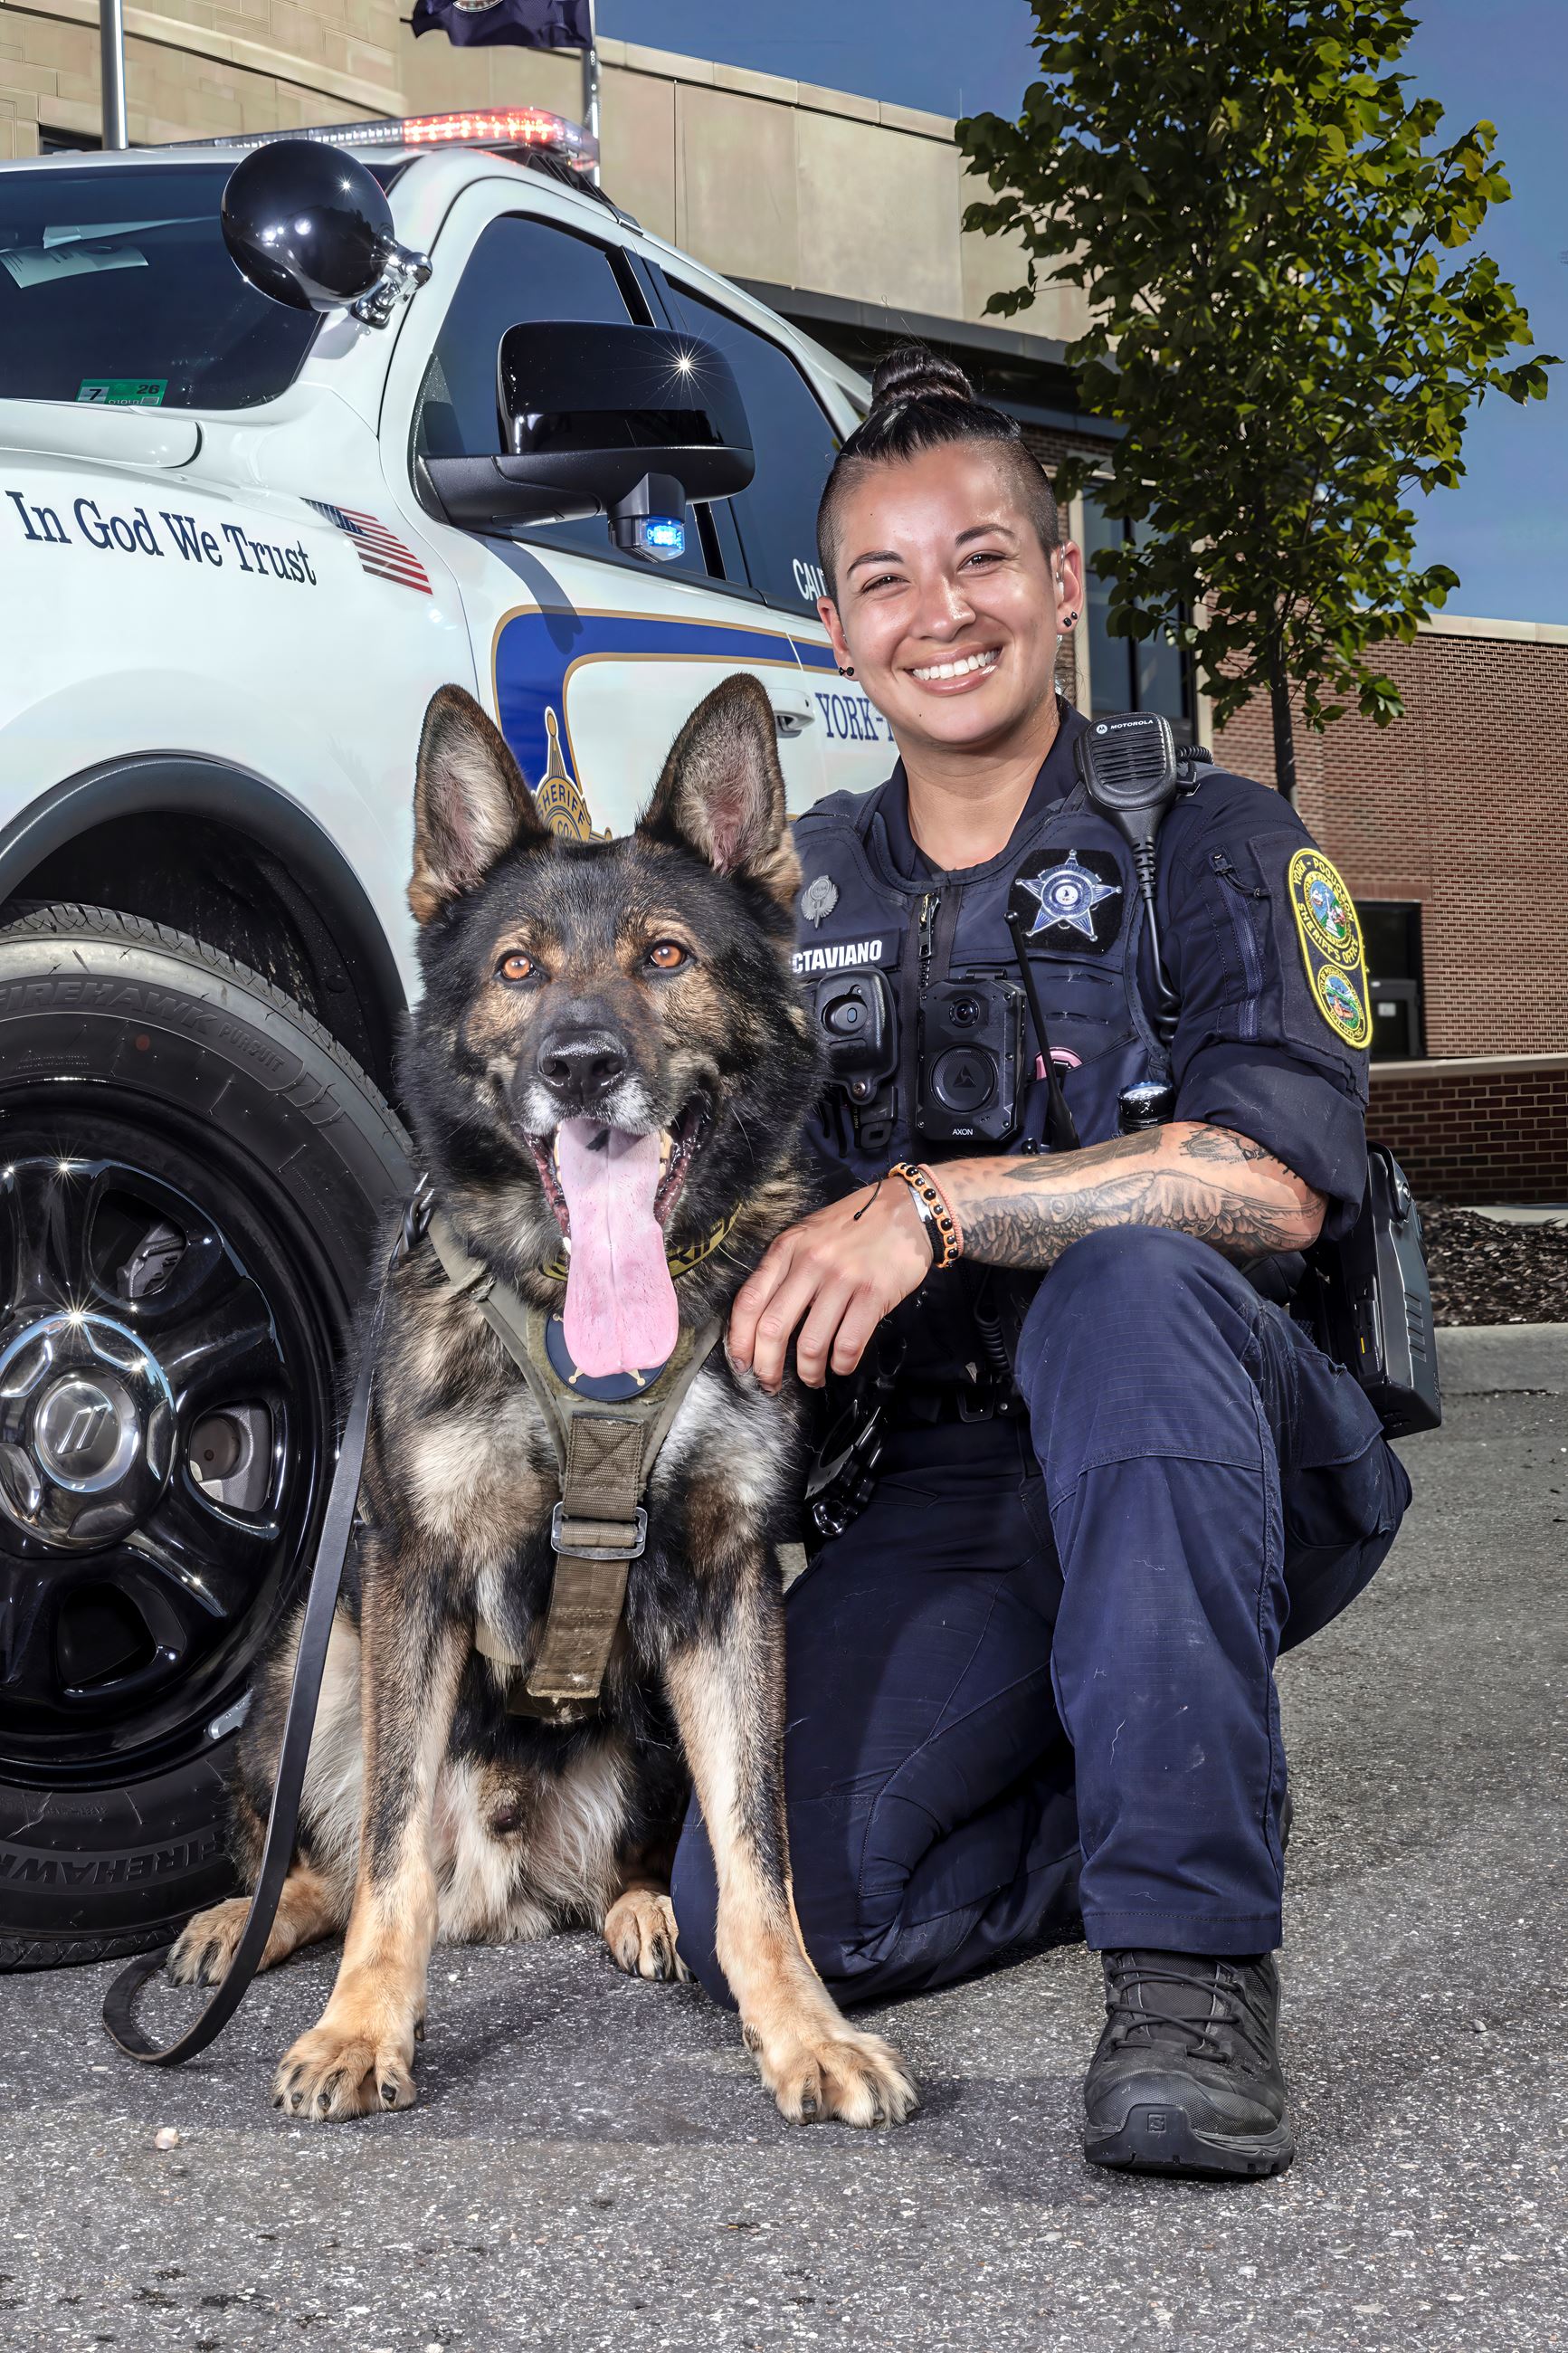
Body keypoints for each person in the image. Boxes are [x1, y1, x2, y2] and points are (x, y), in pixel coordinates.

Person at [670, 348, 1410, 2180]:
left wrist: (935, 1201)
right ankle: (1123, 1773)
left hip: (1217, 1426)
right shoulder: (796, 892)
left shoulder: (1207, 839)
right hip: (944, 1480)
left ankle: (1190, 1970)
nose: (944, 614)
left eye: (985, 559)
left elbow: (1274, 1187)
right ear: (833, 627)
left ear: (1065, 586)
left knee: (1132, 1278)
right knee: (757, 1916)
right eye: (887, 580)